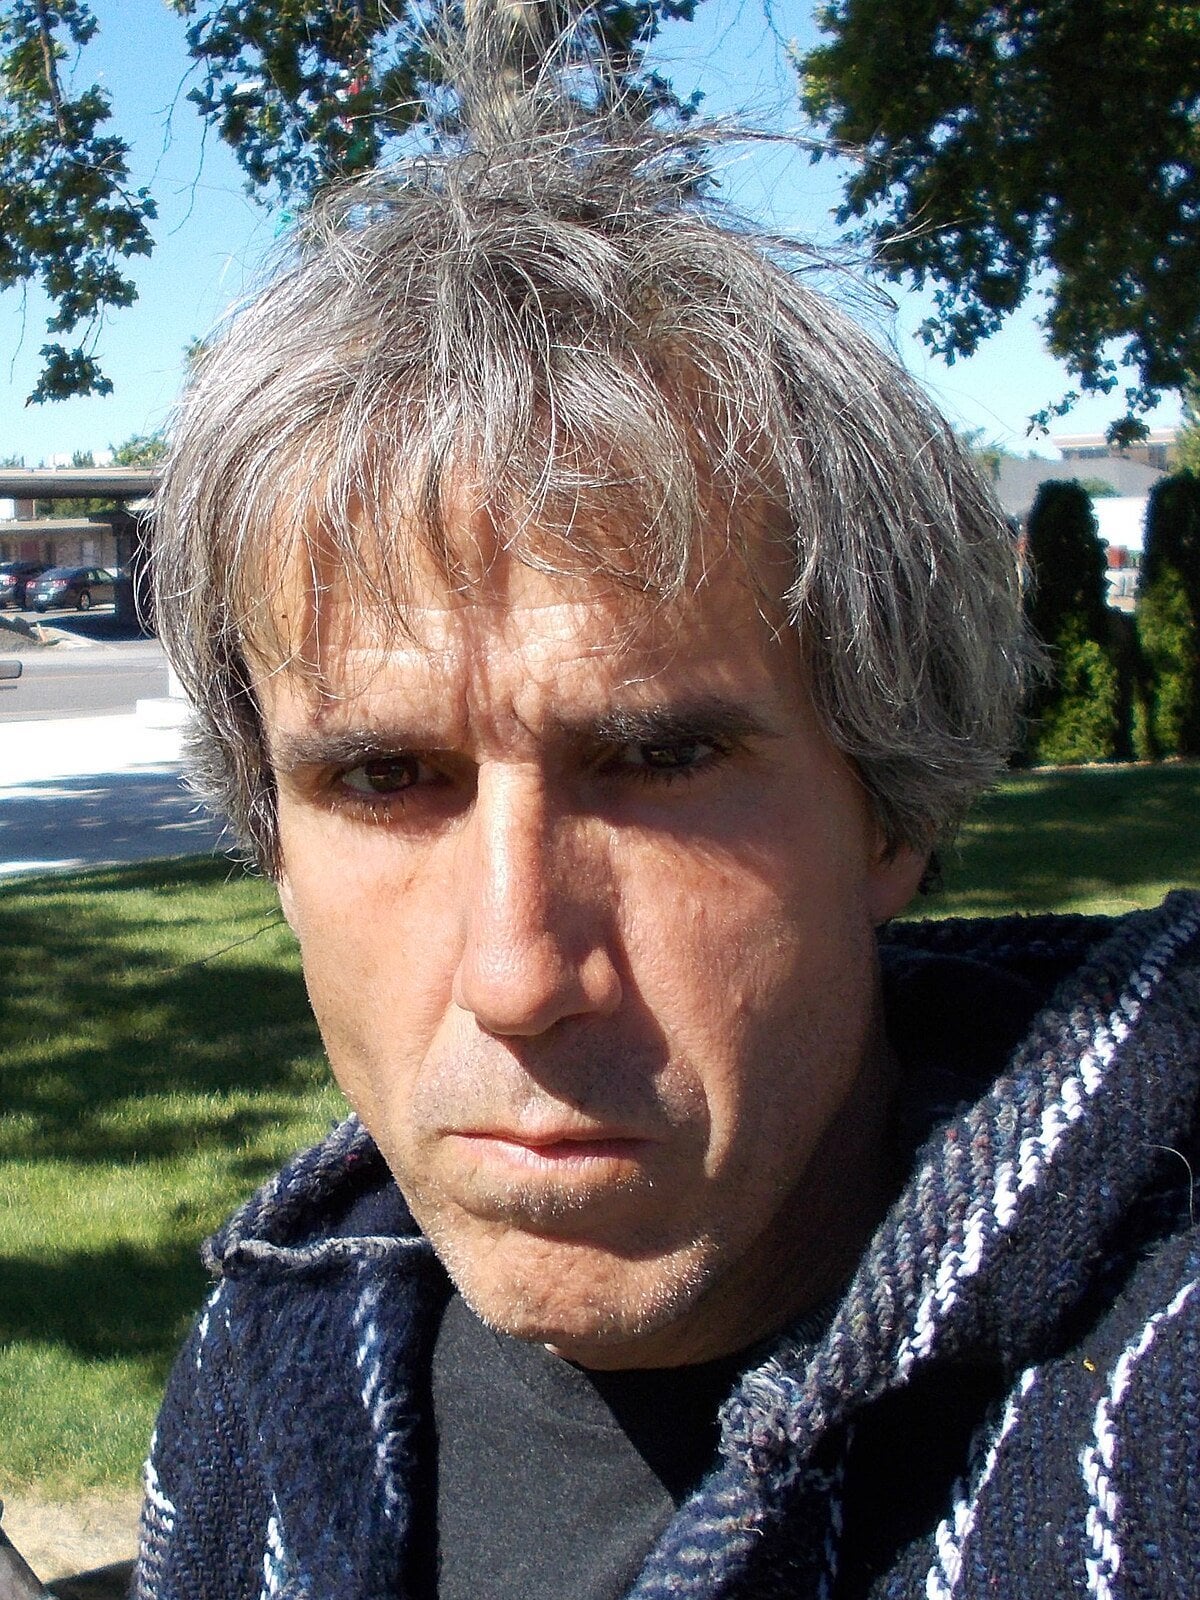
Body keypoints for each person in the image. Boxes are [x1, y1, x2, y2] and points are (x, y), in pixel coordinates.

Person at [134, 80, 1200, 1600]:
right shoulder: (270, 1355)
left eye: (655, 759)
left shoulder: (1148, 1420)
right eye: (384, 776)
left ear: (889, 806)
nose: (518, 976)